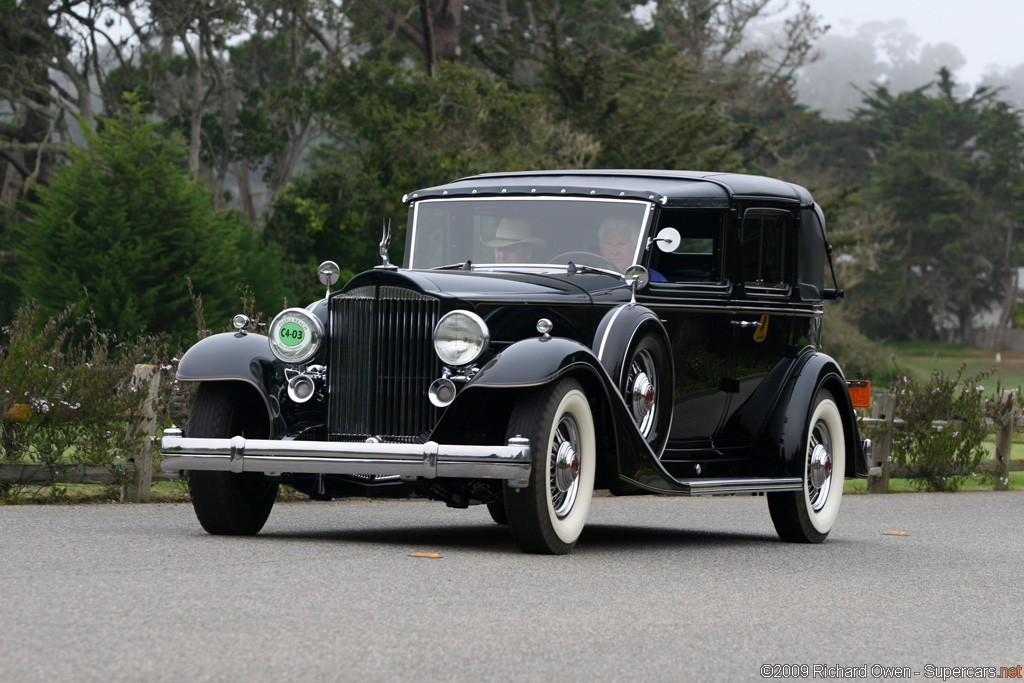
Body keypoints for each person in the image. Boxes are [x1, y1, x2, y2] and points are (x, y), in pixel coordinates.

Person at [598, 218, 667, 281]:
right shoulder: (591, 275)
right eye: (609, 243)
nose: (614, 251)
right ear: (601, 247)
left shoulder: (654, 279)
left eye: (622, 244)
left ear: (635, 247)